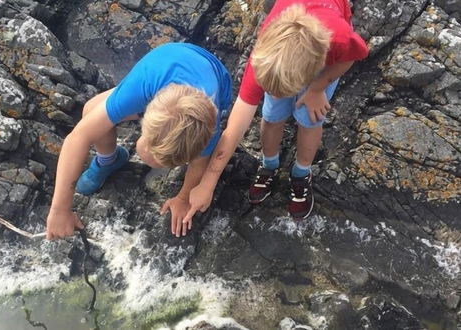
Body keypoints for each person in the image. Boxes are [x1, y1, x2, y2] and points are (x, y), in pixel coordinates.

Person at [183, 0, 368, 222]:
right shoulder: (266, 57)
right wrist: (208, 182)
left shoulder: (339, 38)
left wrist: (317, 88)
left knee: (310, 118)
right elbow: (236, 126)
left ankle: (301, 173)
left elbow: (353, 55)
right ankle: (269, 164)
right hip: (293, 43)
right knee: (271, 115)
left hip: (322, 59)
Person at [46, 42, 232, 239]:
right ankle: (109, 160)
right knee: (91, 110)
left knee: (101, 119)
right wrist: (60, 210)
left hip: (213, 75)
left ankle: (124, 156)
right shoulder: (140, 86)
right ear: (146, 115)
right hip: (158, 67)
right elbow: (77, 138)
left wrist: (183, 197)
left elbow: (199, 162)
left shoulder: (208, 126)